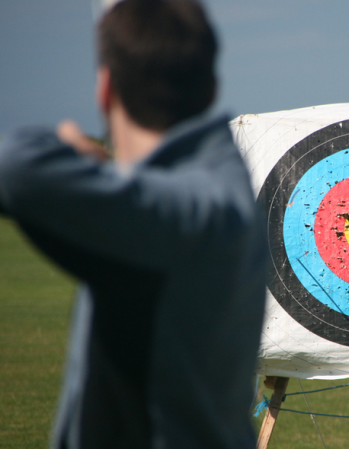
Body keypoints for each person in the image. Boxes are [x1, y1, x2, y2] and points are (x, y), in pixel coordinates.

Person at [0, 1, 267, 447]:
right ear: (212, 87)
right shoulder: (223, 186)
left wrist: (65, 148)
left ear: (105, 90)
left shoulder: (187, 214)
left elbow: (14, 165)